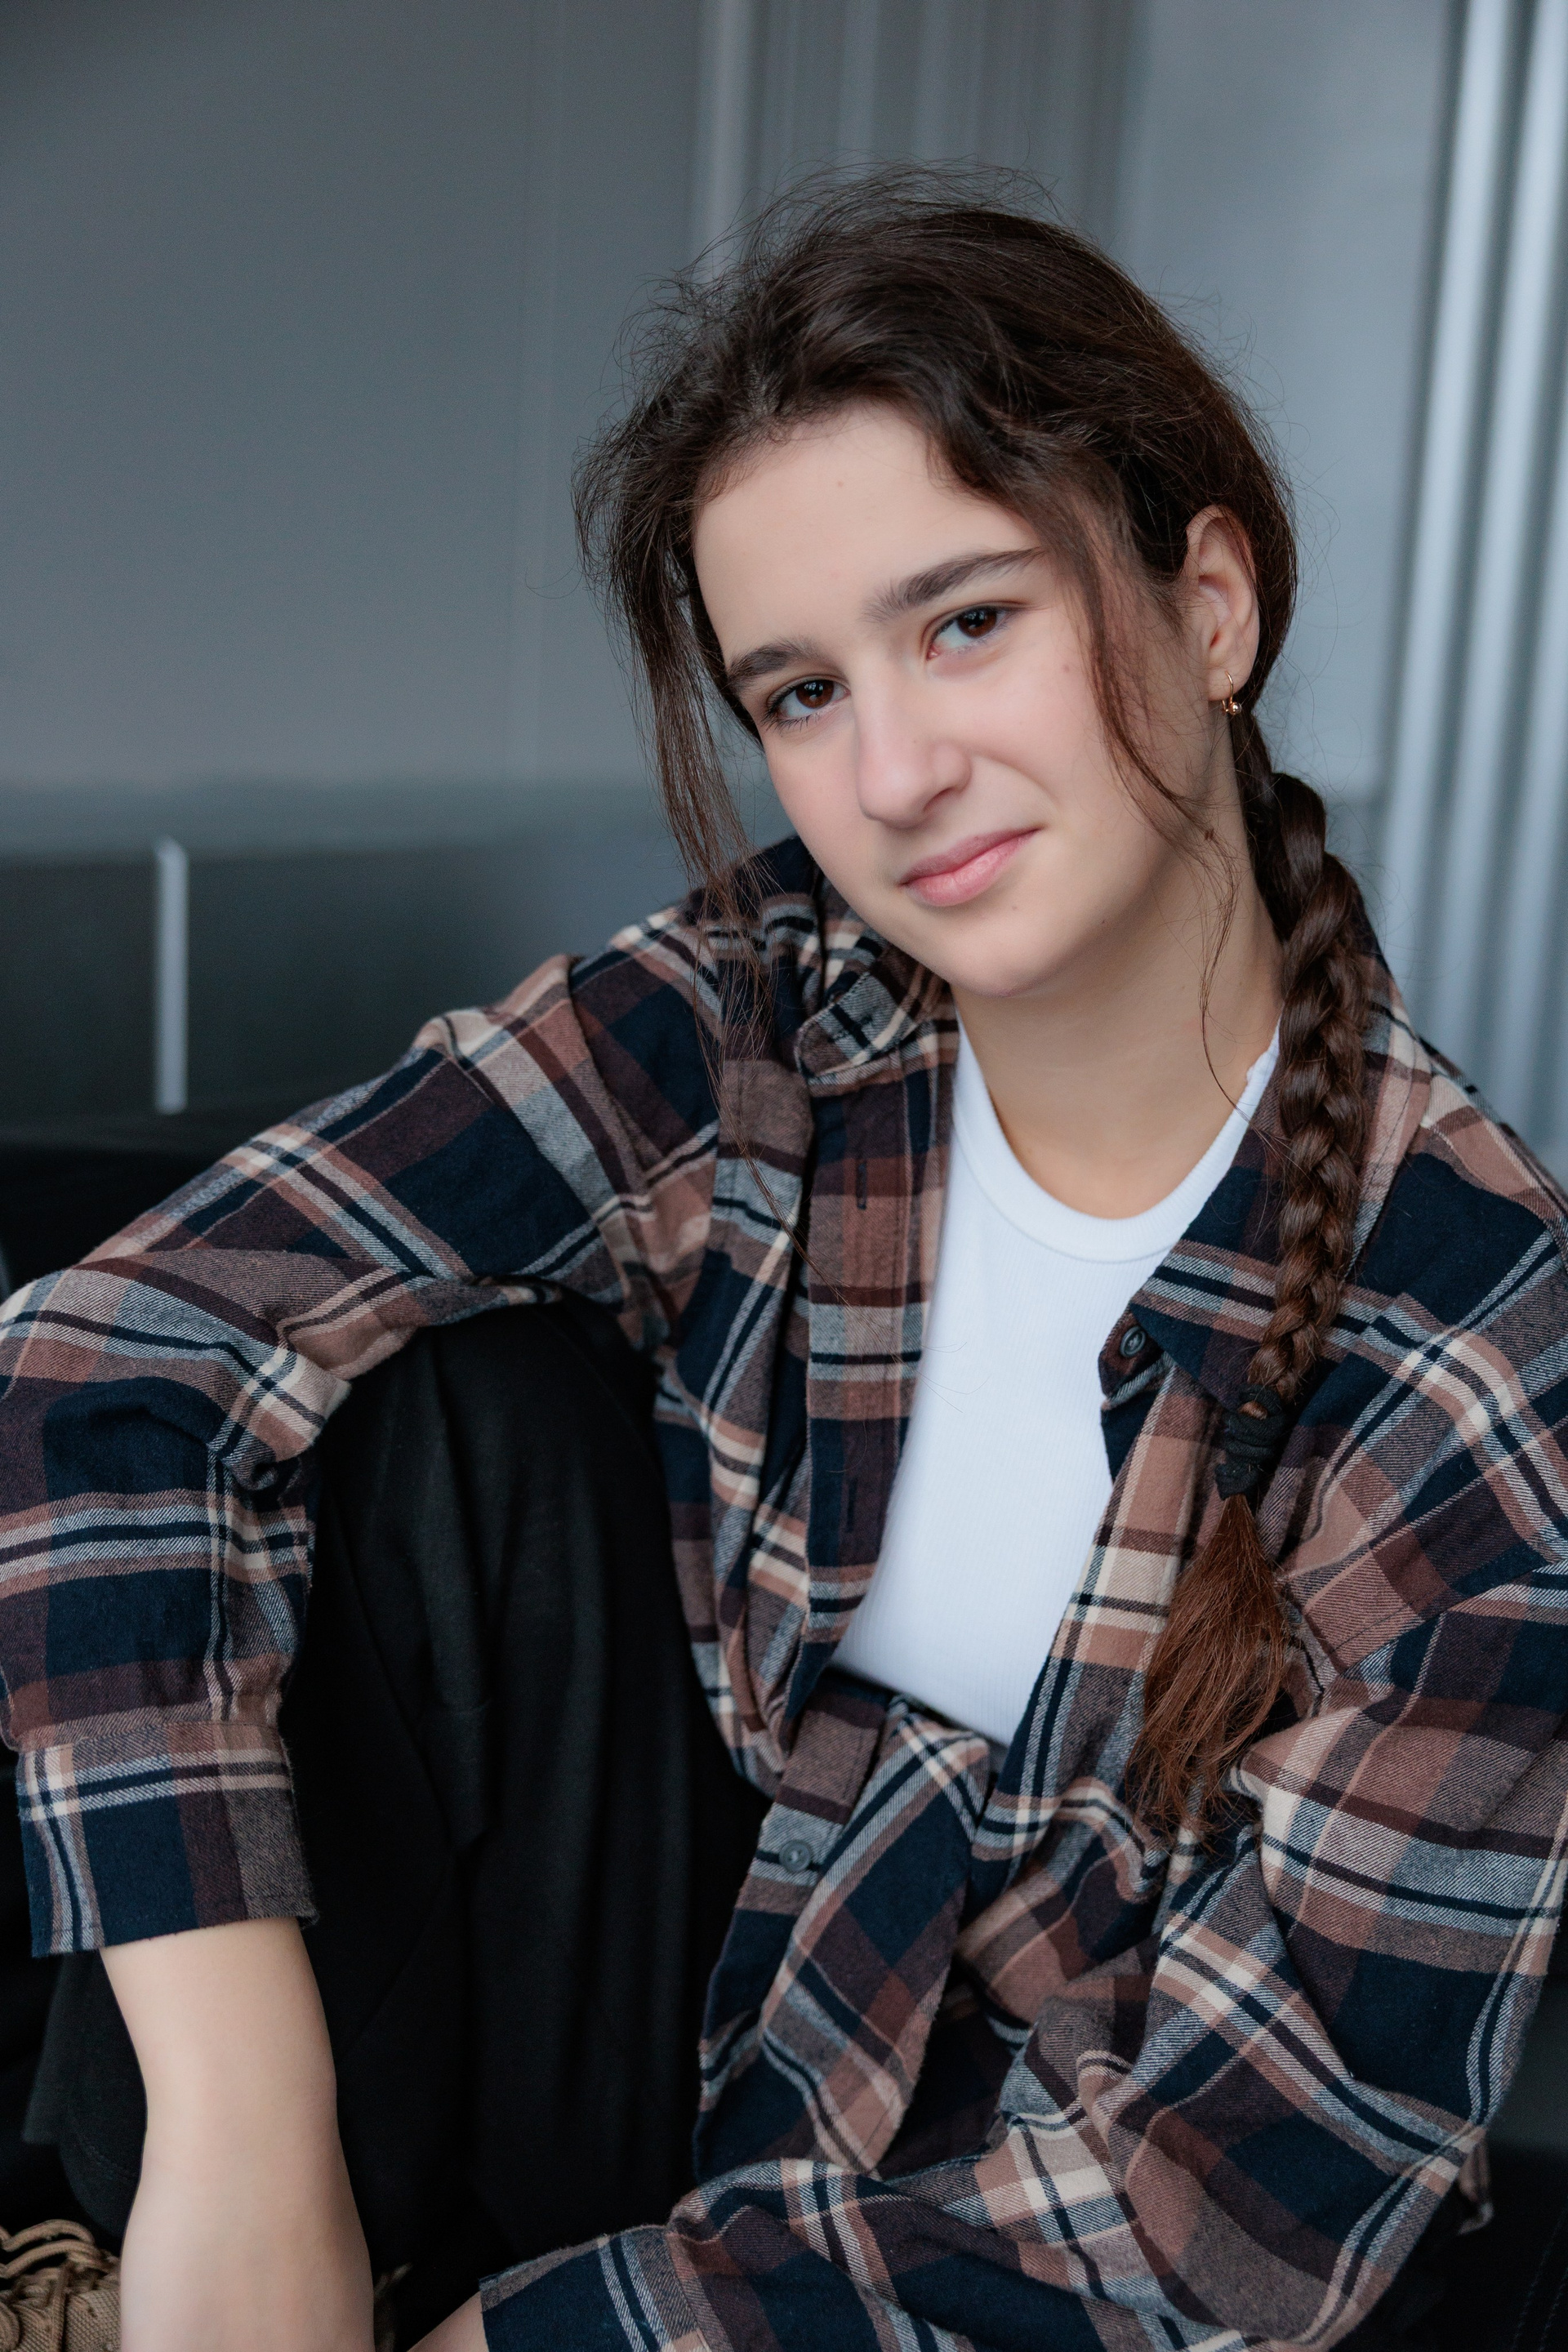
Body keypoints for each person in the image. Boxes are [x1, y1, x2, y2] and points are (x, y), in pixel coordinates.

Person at [0, 174, 1564, 2352]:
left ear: (1212, 604)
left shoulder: (1482, 1342)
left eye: (969, 623)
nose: (895, 772)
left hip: (999, 2262)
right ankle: (141, 2281)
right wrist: (240, 2140)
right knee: (445, 1419)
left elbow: (1222, 2229)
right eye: (804, 691)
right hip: (645, 2062)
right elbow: (108, 1349)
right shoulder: (774, 1011)